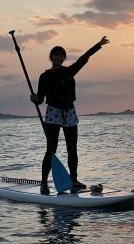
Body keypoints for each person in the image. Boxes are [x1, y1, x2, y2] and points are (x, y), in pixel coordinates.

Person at [31, 36, 110, 194]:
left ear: (64, 57)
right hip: (53, 113)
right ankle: (44, 183)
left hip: (70, 112)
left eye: (61, 55)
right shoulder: (45, 76)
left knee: (72, 149)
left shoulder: (69, 72)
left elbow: (83, 59)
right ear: (51, 57)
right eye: (56, 55)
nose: (58, 57)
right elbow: (40, 99)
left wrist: (98, 45)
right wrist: (35, 99)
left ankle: (73, 179)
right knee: (51, 149)